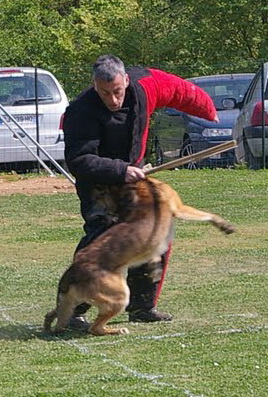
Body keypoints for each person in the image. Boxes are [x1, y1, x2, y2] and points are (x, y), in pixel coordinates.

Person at [63, 54, 218, 329]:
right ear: (94, 85)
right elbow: (79, 160)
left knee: (154, 234)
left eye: (117, 92)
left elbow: (180, 91)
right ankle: (74, 308)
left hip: (133, 179)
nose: (112, 100)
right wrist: (121, 170)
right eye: (104, 93)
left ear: (125, 80)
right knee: (103, 238)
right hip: (98, 182)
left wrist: (209, 111)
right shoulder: (80, 111)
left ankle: (142, 307)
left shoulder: (146, 86)